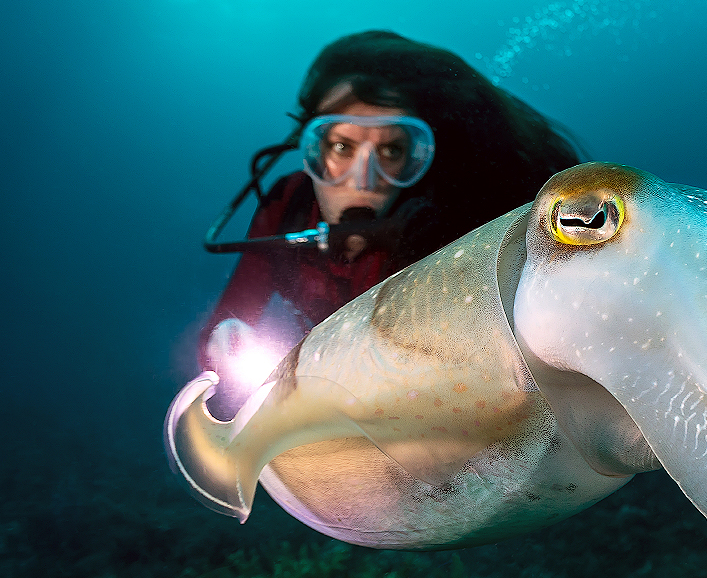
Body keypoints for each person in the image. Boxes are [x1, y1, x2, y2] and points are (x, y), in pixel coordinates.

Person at [199, 31, 580, 416]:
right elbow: (224, 328)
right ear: (310, 150)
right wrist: (224, 342)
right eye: (342, 146)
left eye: (391, 150)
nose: (363, 180)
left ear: (417, 159)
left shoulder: (439, 237)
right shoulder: (286, 206)